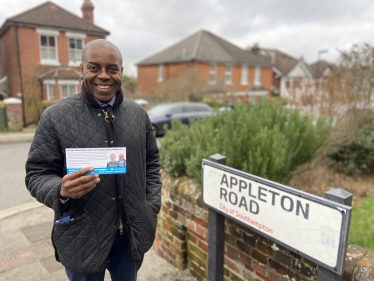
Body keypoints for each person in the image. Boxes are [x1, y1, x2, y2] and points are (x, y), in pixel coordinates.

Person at [25, 39, 161, 281]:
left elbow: (151, 163)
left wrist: (150, 207)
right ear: (82, 70)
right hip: (82, 235)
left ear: (121, 71)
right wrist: (61, 191)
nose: (104, 75)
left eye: (112, 69)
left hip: (130, 235)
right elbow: (37, 174)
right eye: (94, 67)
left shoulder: (138, 115)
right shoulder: (54, 117)